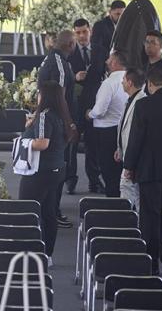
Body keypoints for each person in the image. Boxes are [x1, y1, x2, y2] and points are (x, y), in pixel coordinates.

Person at [123, 65, 162, 273]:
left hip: (149, 169)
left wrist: (129, 166)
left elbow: (136, 139)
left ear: (149, 83)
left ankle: (151, 262)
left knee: (149, 216)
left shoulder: (144, 105)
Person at [19, 80, 70, 262]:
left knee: (27, 210)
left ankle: (28, 250)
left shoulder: (44, 116)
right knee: (49, 212)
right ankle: (47, 253)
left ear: (45, 97)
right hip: (57, 169)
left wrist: (24, 141)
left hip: (40, 171)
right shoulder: (62, 115)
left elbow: (42, 143)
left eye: (39, 94)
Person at [37, 30, 78, 228]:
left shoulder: (50, 58)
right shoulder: (60, 64)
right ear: (70, 44)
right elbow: (59, 96)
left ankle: (49, 210)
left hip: (50, 121)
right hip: (57, 124)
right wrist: (69, 124)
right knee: (58, 168)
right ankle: (52, 211)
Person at [67, 18, 107, 194]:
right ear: (74, 33)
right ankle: (70, 180)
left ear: (90, 30)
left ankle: (94, 180)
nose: (82, 36)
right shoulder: (69, 52)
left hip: (94, 105)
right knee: (72, 145)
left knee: (93, 145)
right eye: (78, 33)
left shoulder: (100, 50)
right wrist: (74, 78)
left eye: (84, 31)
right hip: (74, 106)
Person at [86, 51, 129, 198]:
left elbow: (100, 110)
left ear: (115, 63)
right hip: (125, 130)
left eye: (110, 59)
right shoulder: (133, 80)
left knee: (109, 171)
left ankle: (113, 204)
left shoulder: (109, 83)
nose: (106, 62)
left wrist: (89, 114)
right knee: (121, 170)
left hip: (106, 133)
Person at [115, 68, 146, 210]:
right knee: (134, 195)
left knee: (129, 195)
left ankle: (130, 228)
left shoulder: (141, 102)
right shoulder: (131, 100)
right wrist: (119, 148)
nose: (122, 82)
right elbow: (124, 128)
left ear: (130, 82)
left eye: (124, 80)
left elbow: (136, 135)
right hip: (128, 157)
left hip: (134, 162)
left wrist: (130, 165)